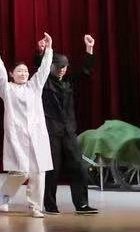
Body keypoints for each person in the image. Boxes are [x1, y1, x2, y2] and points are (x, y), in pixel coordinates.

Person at [0, 34, 55, 217]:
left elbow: (44, 70)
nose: (24, 74)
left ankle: (35, 206)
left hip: (37, 135)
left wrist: (49, 49)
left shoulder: (34, 86)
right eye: (19, 71)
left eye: (26, 71)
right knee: (22, 171)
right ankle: (4, 194)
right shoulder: (7, 89)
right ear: (12, 73)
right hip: (17, 136)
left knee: (39, 172)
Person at [39, 34, 99, 214]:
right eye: (58, 67)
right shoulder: (44, 81)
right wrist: (44, 52)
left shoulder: (68, 82)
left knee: (78, 166)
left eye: (64, 67)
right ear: (51, 66)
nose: (62, 70)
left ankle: (82, 204)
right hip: (51, 131)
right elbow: (39, 67)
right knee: (53, 168)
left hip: (68, 130)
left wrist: (89, 49)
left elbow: (85, 71)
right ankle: (50, 204)